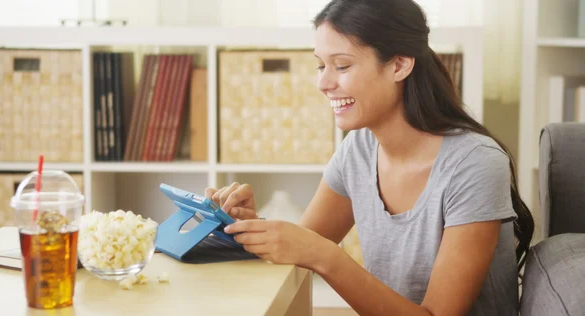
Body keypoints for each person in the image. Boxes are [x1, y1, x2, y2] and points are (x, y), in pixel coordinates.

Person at [205, 0, 534, 315]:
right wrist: (246, 225)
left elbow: (317, 251)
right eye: (321, 65)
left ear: (399, 65)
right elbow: (303, 247)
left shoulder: (475, 165)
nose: (323, 83)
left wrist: (327, 257)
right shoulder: (357, 151)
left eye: (342, 66)